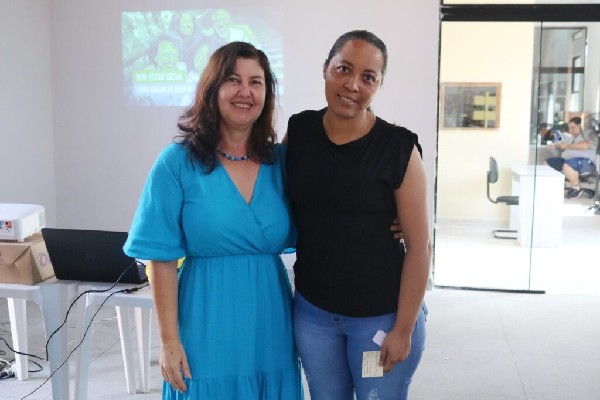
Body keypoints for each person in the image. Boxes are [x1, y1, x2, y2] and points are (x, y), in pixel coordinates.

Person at [123, 41, 303, 399]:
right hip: (205, 316)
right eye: (233, 80)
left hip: (269, 319)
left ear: (266, 95)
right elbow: (161, 259)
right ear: (212, 89)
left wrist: (393, 219)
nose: (245, 91)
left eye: (256, 82)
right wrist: (169, 341)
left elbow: (334, 205)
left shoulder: (282, 161)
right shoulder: (176, 162)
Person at [285, 30, 431, 400]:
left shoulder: (399, 147)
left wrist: (403, 329)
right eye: (343, 69)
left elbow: (419, 248)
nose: (352, 85)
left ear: (379, 84)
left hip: (381, 319)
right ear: (326, 69)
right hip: (313, 314)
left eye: (368, 77)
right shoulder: (299, 131)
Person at [546, 116, 598, 199]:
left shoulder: (588, 136)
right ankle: (552, 186)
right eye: (569, 128)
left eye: (573, 127)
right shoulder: (572, 138)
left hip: (586, 163)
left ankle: (576, 189)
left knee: (569, 164)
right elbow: (561, 144)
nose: (571, 130)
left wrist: (566, 146)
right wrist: (554, 145)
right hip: (569, 161)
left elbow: (584, 146)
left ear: (580, 126)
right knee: (548, 163)